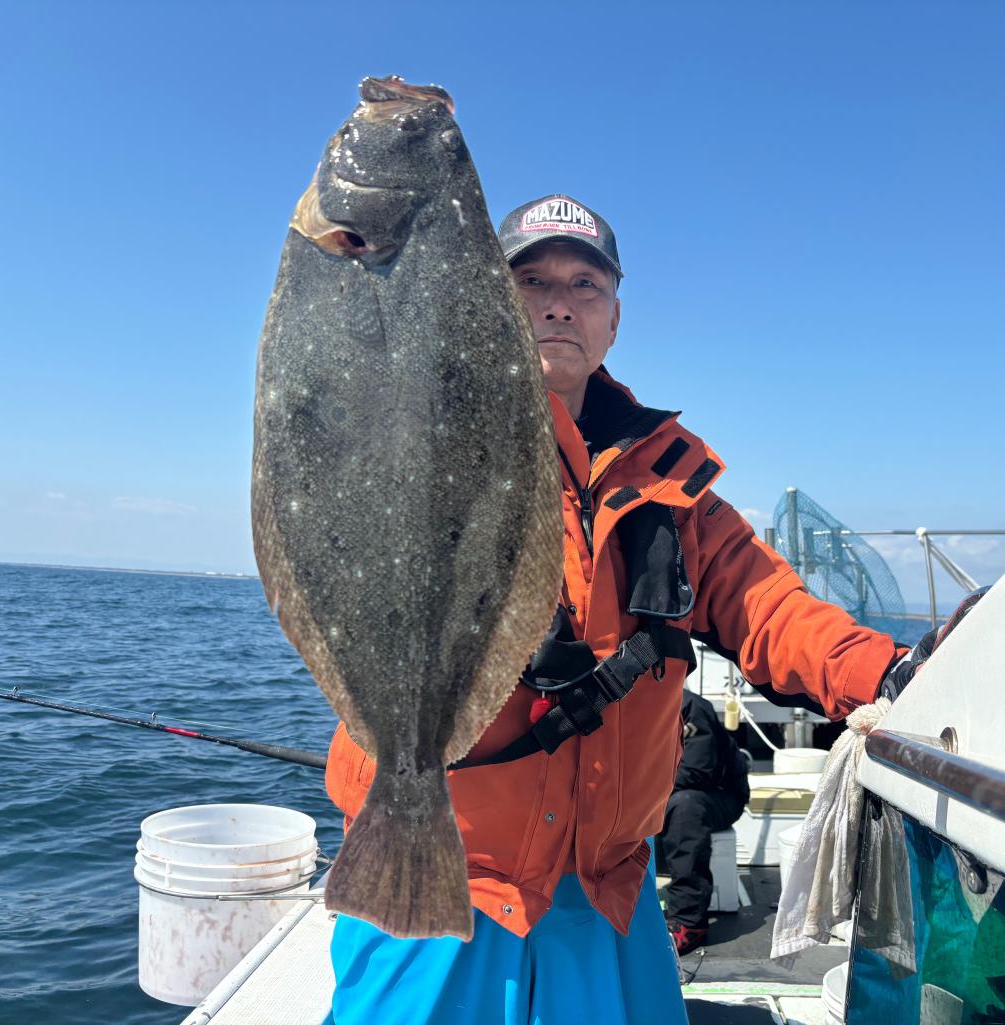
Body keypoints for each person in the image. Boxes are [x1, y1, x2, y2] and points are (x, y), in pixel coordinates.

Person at [321, 194, 915, 1025]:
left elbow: (767, 604)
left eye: (585, 284)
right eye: (530, 281)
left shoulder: (671, 484)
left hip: (605, 885)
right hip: (434, 874)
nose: (559, 302)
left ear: (614, 319)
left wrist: (889, 673)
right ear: (485, 302)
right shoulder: (420, 433)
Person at [656, 689, 750, 956]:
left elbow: (696, 772)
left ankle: (689, 920)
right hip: (660, 793)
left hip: (718, 793)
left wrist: (638, 793)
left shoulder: (689, 707)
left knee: (684, 806)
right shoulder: (620, 703)